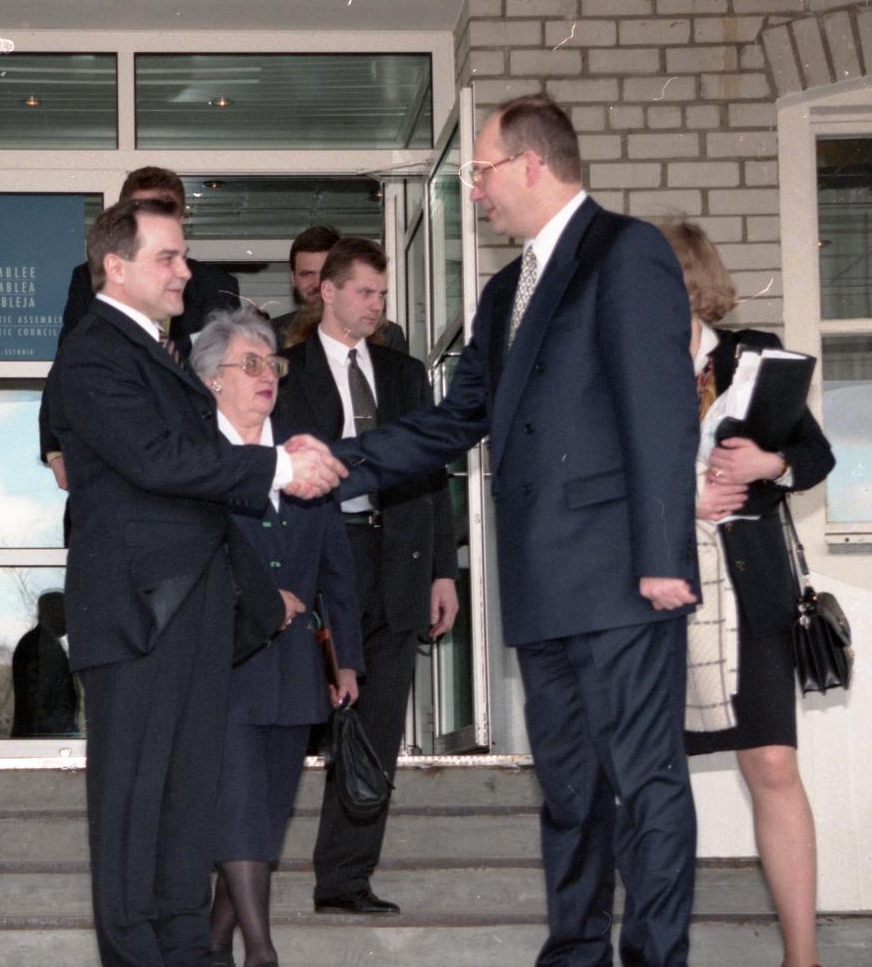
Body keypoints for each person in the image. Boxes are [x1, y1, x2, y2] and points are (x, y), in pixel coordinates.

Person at [308, 94, 702, 965]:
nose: (475, 191)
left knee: (645, 785)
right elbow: (456, 420)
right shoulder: (501, 292)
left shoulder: (625, 251)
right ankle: (575, 952)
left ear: (531, 163)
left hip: (624, 580)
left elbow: (662, 409)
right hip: (542, 585)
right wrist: (339, 459)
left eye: (480, 172)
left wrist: (664, 555)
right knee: (570, 792)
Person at [46, 196, 347, 967]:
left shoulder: (158, 350)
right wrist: (277, 466)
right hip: (140, 615)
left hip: (192, 611)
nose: (186, 270)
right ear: (117, 267)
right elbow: (161, 462)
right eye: (168, 257)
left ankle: (184, 948)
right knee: (134, 807)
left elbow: (199, 473)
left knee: (186, 807)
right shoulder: (94, 352)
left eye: (183, 254)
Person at [663, 220, 835, 967]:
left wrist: (770, 463)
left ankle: (803, 957)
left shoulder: (754, 354)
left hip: (751, 580)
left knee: (772, 763)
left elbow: (816, 454)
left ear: (693, 282)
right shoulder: (618, 362)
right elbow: (596, 477)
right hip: (658, 587)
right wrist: (684, 497)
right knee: (651, 772)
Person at [272, 237, 459, 915]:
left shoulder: (405, 374)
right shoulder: (286, 371)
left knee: (377, 727)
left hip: (398, 555)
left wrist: (443, 569)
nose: (377, 305)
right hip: (323, 562)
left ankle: (345, 879)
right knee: (298, 716)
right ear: (327, 291)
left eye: (382, 294)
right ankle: (244, 864)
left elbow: (432, 470)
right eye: (365, 292)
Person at [189, 307, 364, 967]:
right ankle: (261, 952)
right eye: (250, 363)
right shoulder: (195, 456)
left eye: (273, 363)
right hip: (223, 658)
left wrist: (346, 659)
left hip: (292, 666)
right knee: (238, 807)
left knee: (265, 815)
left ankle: (213, 945)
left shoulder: (302, 454)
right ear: (213, 378)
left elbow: (337, 569)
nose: (267, 375)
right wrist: (261, 599)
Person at [40, 167, 242, 493]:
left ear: (181, 217)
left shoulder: (215, 286)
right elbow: (66, 362)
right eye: (142, 211)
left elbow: (231, 380)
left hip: (199, 464)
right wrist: (54, 448)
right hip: (112, 465)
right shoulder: (89, 280)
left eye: (164, 210)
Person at [272, 224, 407, 352]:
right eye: (307, 274)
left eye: (325, 272)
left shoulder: (388, 335)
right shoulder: (272, 334)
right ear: (293, 278)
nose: (318, 283)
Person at [11, 590, 79, 737]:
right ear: (50, 612)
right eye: (63, 611)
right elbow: (42, 701)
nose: (68, 618)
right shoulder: (42, 645)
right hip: (43, 739)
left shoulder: (40, 642)